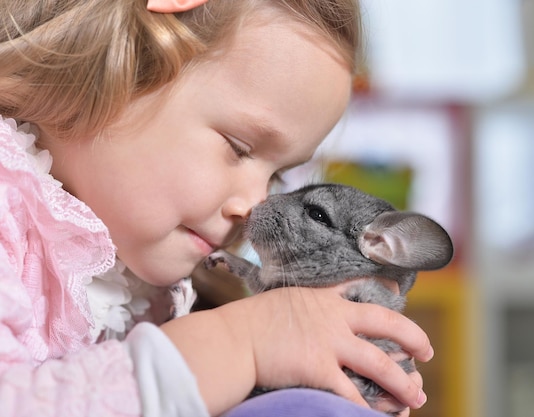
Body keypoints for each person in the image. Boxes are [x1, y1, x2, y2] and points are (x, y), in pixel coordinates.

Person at [0, 0, 434, 416]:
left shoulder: (147, 278)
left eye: (277, 176)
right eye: (239, 148)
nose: (254, 205)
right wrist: (238, 343)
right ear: (118, 62)